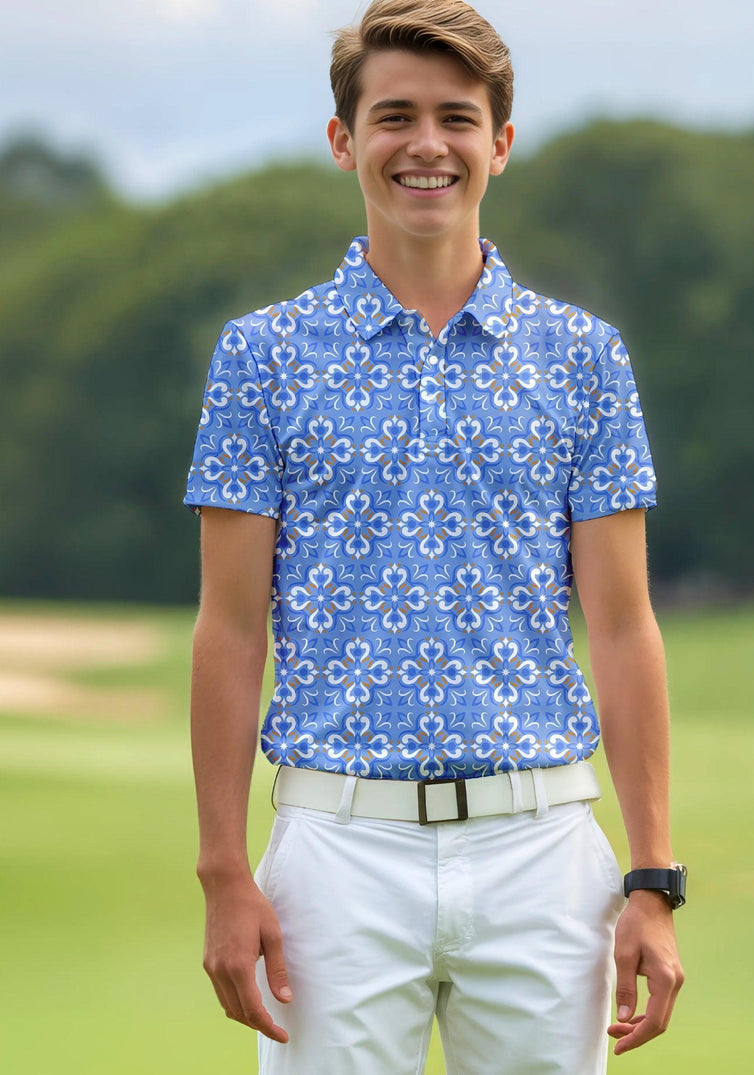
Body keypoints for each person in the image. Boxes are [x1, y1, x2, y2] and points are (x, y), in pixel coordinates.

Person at [182, 1, 685, 1071]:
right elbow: (228, 631)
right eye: (393, 115)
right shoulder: (260, 357)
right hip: (332, 848)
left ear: (498, 144)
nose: (425, 145)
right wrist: (226, 870)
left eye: (455, 119)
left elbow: (622, 625)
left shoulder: (583, 358)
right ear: (343, 140)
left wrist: (652, 875)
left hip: (542, 848)